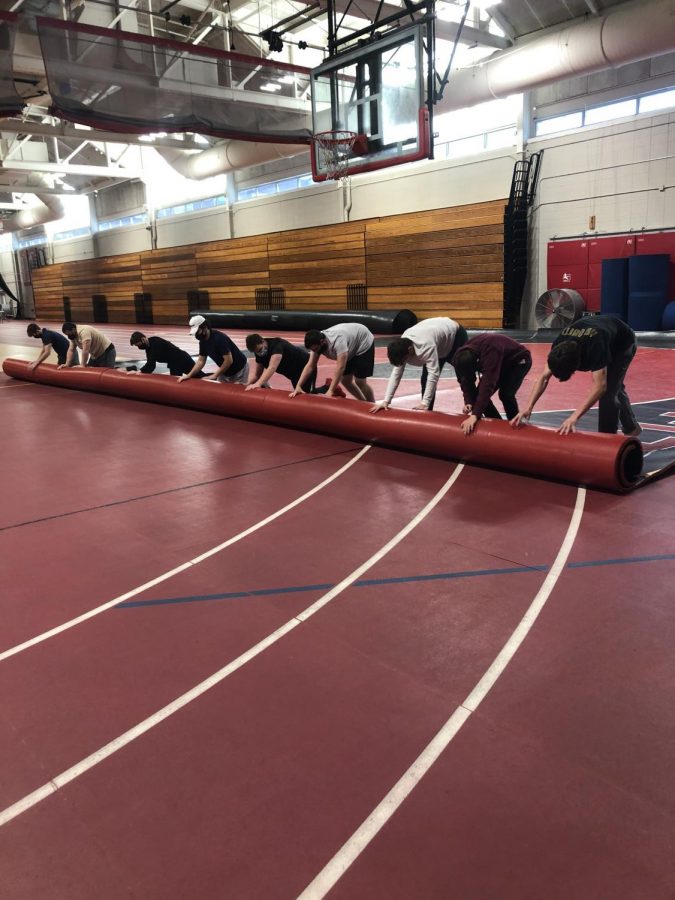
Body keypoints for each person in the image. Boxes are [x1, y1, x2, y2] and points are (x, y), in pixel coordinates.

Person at [511, 314, 641, 436]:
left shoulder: (595, 347)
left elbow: (600, 387)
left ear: (577, 366)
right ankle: (631, 427)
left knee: (609, 392)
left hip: (622, 344)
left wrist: (574, 417)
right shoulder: (559, 344)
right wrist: (528, 407)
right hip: (601, 331)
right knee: (615, 386)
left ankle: (608, 440)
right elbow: (543, 378)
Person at [371, 317, 468, 412]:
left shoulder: (425, 345)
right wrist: (386, 401)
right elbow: (396, 374)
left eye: (405, 360)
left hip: (455, 336)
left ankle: (471, 405)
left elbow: (433, 374)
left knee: (464, 373)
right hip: (437, 341)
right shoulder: (403, 344)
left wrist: (425, 402)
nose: (405, 362)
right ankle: (427, 412)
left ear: (410, 350)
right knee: (425, 380)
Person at [452, 334, 532, 435]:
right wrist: (469, 401)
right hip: (502, 361)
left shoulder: (491, 352)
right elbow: (464, 380)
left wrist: (475, 415)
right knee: (477, 399)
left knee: (505, 394)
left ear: (477, 363)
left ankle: (516, 426)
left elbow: (487, 385)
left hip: (518, 360)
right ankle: (499, 428)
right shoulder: (459, 358)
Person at [291, 324, 375, 401]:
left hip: (363, 342)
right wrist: (298, 386)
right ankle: (362, 402)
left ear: (322, 341)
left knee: (360, 381)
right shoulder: (316, 344)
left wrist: (330, 391)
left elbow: (340, 367)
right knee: (345, 381)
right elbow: (310, 365)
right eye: (312, 350)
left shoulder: (338, 341)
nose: (315, 352)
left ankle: (372, 403)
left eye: (316, 349)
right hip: (350, 345)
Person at [179, 315, 249, 384]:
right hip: (225, 371)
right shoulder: (203, 341)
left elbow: (228, 361)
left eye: (198, 331)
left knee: (236, 392)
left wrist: (215, 375)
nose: (197, 335)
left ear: (205, 327)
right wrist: (189, 375)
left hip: (239, 370)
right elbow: (201, 360)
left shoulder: (219, 339)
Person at [129, 331, 198, 377]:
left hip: (182, 360)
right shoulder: (149, 347)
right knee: (178, 380)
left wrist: (138, 372)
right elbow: (151, 366)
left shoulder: (155, 343)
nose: (139, 347)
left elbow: (150, 363)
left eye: (139, 345)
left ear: (143, 339)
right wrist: (140, 372)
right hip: (175, 363)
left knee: (199, 376)